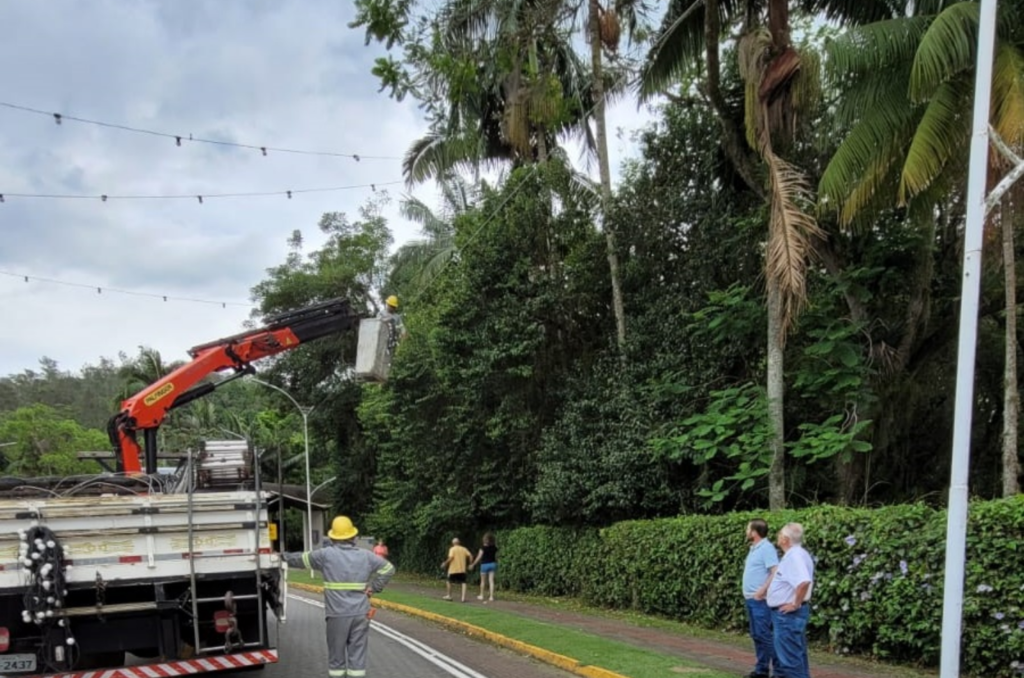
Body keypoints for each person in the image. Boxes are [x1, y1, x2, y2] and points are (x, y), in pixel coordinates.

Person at [283, 515, 395, 678]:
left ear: (333, 537)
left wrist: (280, 556)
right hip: (361, 614)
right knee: (357, 658)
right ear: (353, 537)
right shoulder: (366, 556)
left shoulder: (325, 555)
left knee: (336, 660)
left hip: (337, 615)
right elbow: (389, 569)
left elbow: (299, 559)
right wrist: (374, 587)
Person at [765, 522, 815, 678]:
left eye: (780, 534)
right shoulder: (798, 554)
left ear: (785, 539)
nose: (778, 536)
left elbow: (803, 582)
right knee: (795, 657)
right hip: (788, 615)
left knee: (790, 660)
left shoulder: (794, 556)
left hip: (787, 615)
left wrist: (795, 604)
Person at [742, 519, 779, 678]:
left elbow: (775, 571)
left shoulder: (766, 548)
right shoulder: (754, 548)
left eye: (748, 529)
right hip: (751, 599)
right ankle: (761, 670)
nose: (746, 532)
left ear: (754, 532)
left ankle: (779, 672)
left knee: (765, 636)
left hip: (760, 600)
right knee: (757, 635)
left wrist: (762, 590)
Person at [440, 537, 473, 602]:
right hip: (462, 569)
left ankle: (449, 595)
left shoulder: (452, 549)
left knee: (449, 581)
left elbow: (451, 557)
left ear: (453, 543)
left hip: (453, 569)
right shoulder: (464, 549)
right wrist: (470, 563)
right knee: (463, 583)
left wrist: (445, 563)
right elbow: (470, 555)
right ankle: (463, 598)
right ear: (459, 542)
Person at [469, 533, 498, 602]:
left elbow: (479, 557)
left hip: (484, 564)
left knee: (483, 581)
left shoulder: (482, 548)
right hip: (492, 564)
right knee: (491, 581)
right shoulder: (494, 548)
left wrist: (473, 564)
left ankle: (481, 595)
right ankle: (491, 597)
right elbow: (497, 556)